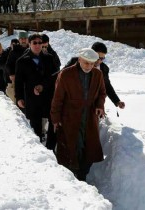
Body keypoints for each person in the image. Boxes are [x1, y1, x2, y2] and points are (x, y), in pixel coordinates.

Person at [50, 48, 106, 181]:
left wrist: (99, 105)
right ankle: (71, 177)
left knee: (89, 147)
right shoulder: (66, 74)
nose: (89, 66)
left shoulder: (97, 74)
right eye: (86, 62)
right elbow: (57, 98)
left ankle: (82, 175)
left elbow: (102, 93)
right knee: (72, 146)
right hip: (70, 117)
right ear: (79, 59)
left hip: (89, 118)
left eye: (92, 63)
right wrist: (55, 119)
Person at [15, 33, 57, 142]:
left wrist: (43, 85)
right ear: (29, 44)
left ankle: (51, 148)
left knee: (52, 124)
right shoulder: (22, 61)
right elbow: (18, 82)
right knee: (35, 125)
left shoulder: (49, 58)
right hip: (32, 98)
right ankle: (38, 150)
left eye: (40, 43)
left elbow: (54, 76)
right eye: (35, 43)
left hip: (48, 96)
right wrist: (19, 98)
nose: (38, 45)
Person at [65, 42, 125, 109]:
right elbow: (60, 78)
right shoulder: (75, 62)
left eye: (102, 59)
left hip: (92, 106)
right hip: (72, 105)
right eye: (97, 57)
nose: (99, 61)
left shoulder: (104, 69)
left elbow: (107, 86)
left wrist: (117, 101)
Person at [40, 33, 61, 148]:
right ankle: (42, 132)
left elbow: (57, 67)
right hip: (39, 88)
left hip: (50, 88)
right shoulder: (35, 52)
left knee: (48, 112)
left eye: (45, 44)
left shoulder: (52, 53)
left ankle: (49, 136)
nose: (43, 47)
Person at [5, 31, 29, 102]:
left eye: (25, 38)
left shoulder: (32, 49)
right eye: (21, 39)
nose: (23, 40)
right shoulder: (14, 51)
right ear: (19, 40)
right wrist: (11, 73)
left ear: (27, 39)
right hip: (18, 79)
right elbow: (8, 64)